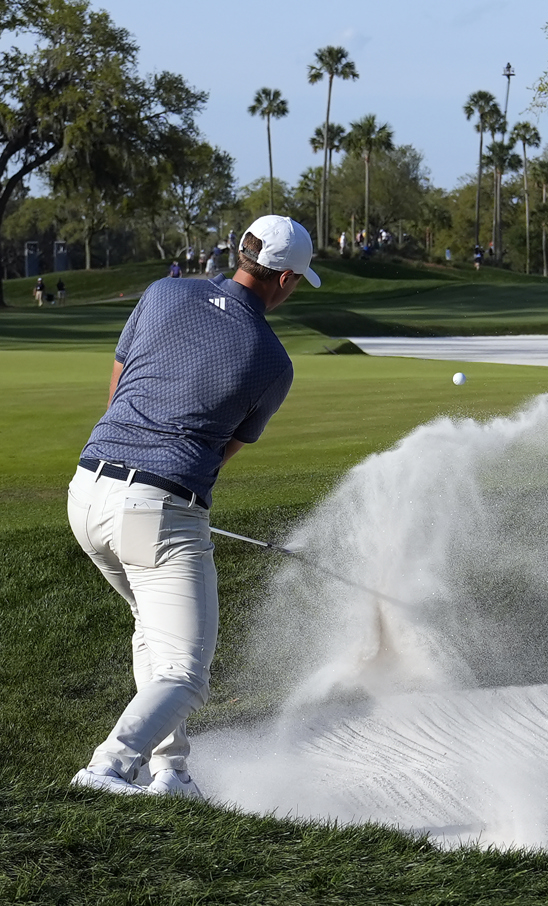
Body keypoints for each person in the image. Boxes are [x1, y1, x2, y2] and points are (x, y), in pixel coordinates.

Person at [67, 214, 320, 799]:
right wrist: (168, 501)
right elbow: (219, 453)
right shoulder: (272, 362)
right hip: (154, 510)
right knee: (186, 674)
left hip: (87, 490)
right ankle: (107, 768)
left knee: (154, 636)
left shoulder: (162, 292)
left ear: (241, 253)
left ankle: (171, 773)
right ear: (284, 281)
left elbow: (120, 387)